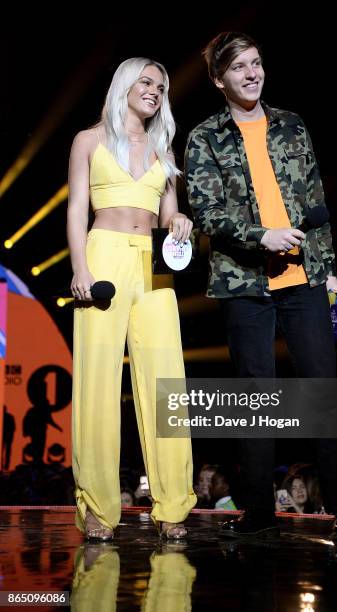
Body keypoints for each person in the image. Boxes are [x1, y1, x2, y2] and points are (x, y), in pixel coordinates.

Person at [184, 32, 337, 540]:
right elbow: (207, 212)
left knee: (322, 393)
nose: (252, 73)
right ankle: (259, 509)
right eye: (239, 67)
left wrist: (327, 269)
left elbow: (316, 201)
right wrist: (262, 235)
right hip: (243, 283)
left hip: (304, 278)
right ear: (220, 79)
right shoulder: (205, 137)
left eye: (257, 63)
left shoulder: (291, 124)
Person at [68, 57, 197, 541]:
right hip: (103, 256)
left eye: (160, 86)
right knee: (98, 381)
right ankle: (99, 507)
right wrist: (81, 267)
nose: (155, 90)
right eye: (145, 82)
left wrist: (179, 221)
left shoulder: (164, 147)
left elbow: (169, 216)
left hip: (154, 265)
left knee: (167, 383)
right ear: (123, 84)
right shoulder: (89, 140)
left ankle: (173, 507)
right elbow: (77, 208)